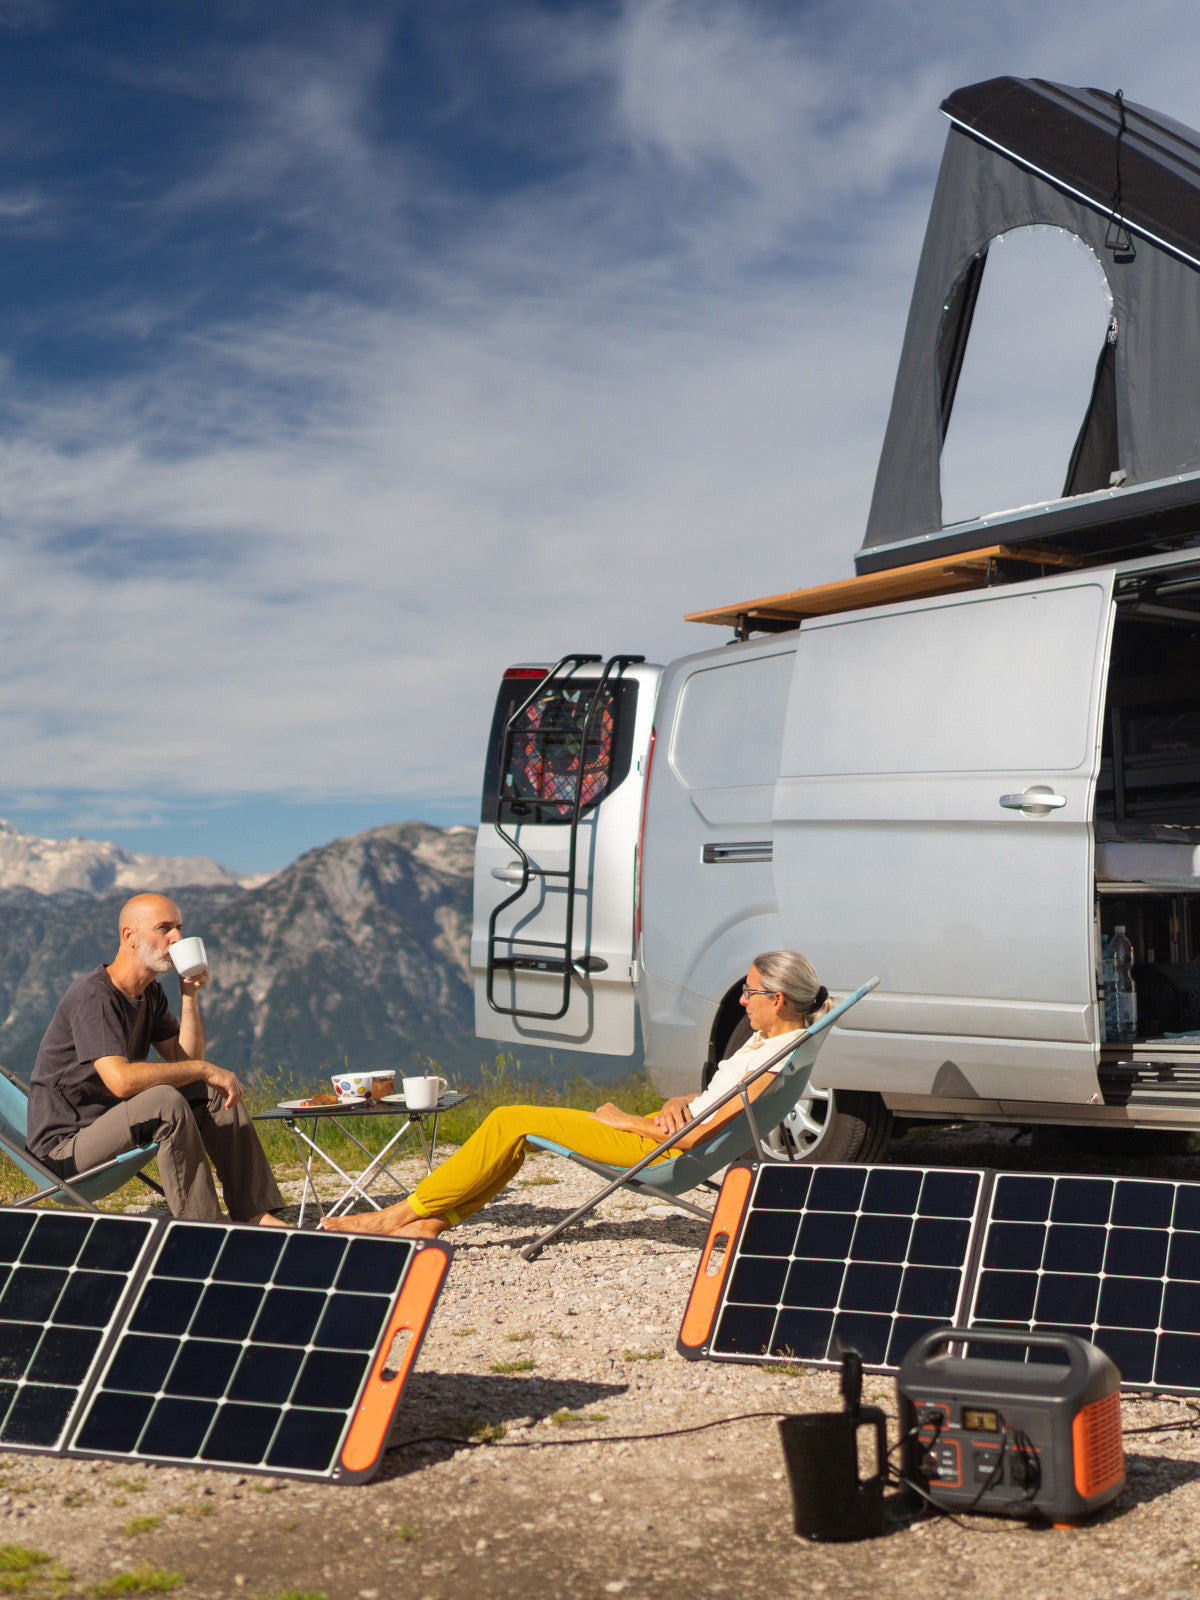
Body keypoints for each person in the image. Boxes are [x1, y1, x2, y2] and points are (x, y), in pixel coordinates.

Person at [322, 950, 832, 1239]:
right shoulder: (779, 1042)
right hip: (666, 1129)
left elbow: (698, 1133)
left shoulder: (771, 1059)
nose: (742, 1001)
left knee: (508, 1120)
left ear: (778, 998)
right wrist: (676, 1102)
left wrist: (629, 1120)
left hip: (656, 1150)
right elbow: (708, 1107)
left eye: (749, 992)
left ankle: (395, 1216)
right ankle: (432, 1220)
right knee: (517, 1131)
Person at [25, 893, 286, 1226]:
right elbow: (121, 1081)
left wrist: (189, 996)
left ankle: (254, 1213)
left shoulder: (149, 993)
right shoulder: (94, 995)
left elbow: (187, 1063)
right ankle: (203, 1229)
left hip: (114, 1125)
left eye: (178, 928)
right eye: (165, 928)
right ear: (129, 936)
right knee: (165, 1100)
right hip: (63, 1153)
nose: (176, 937)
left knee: (210, 1093)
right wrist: (202, 1069)